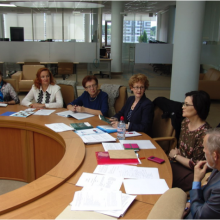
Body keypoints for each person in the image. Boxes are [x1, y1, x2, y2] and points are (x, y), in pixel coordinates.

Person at [169, 90, 211, 191]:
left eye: (187, 105)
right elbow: (183, 148)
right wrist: (178, 155)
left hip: (194, 174)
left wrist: (175, 156)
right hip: (179, 164)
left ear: (197, 107)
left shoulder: (205, 133)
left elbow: (196, 165)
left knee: (162, 173)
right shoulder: (185, 122)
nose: (183, 107)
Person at [184, 128, 220, 219]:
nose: (203, 151)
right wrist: (190, 201)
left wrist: (196, 181)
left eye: (205, 148)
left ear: (215, 156)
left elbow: (199, 216)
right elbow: (206, 192)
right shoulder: (216, 168)